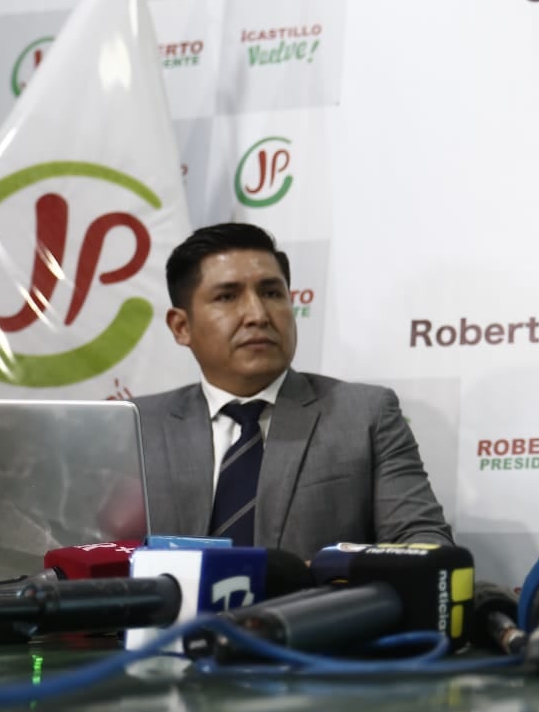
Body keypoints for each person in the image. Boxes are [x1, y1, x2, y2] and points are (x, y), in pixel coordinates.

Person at [135, 223, 452, 560]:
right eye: (227, 297)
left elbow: (425, 545)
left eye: (272, 293)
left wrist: (330, 573)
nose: (258, 315)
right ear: (181, 327)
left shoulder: (364, 415)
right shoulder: (137, 428)